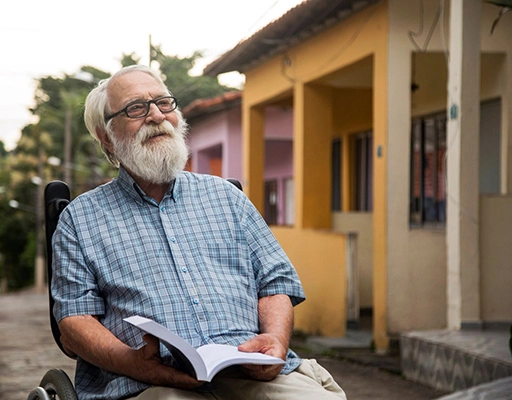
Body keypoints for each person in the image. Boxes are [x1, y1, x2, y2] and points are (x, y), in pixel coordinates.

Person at [51, 64, 346, 400]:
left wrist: (276, 340)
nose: (155, 116)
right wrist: (134, 363)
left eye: (163, 103)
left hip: (248, 370)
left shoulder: (227, 198)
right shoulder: (80, 219)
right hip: (147, 382)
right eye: (136, 108)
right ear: (107, 135)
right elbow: (74, 323)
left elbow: (276, 282)